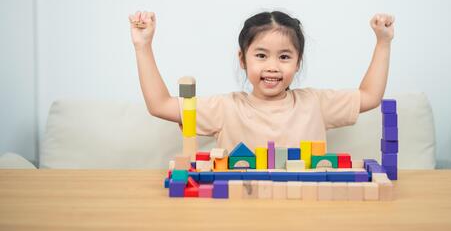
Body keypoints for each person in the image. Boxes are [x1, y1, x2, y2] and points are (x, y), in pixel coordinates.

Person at [129, 10, 395, 151]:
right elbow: (160, 105)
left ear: (298, 62)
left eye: (284, 56)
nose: (272, 67)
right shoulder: (225, 107)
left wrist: (383, 42)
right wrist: (143, 46)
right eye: (261, 55)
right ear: (243, 60)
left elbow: (370, 96)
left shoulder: (315, 103)